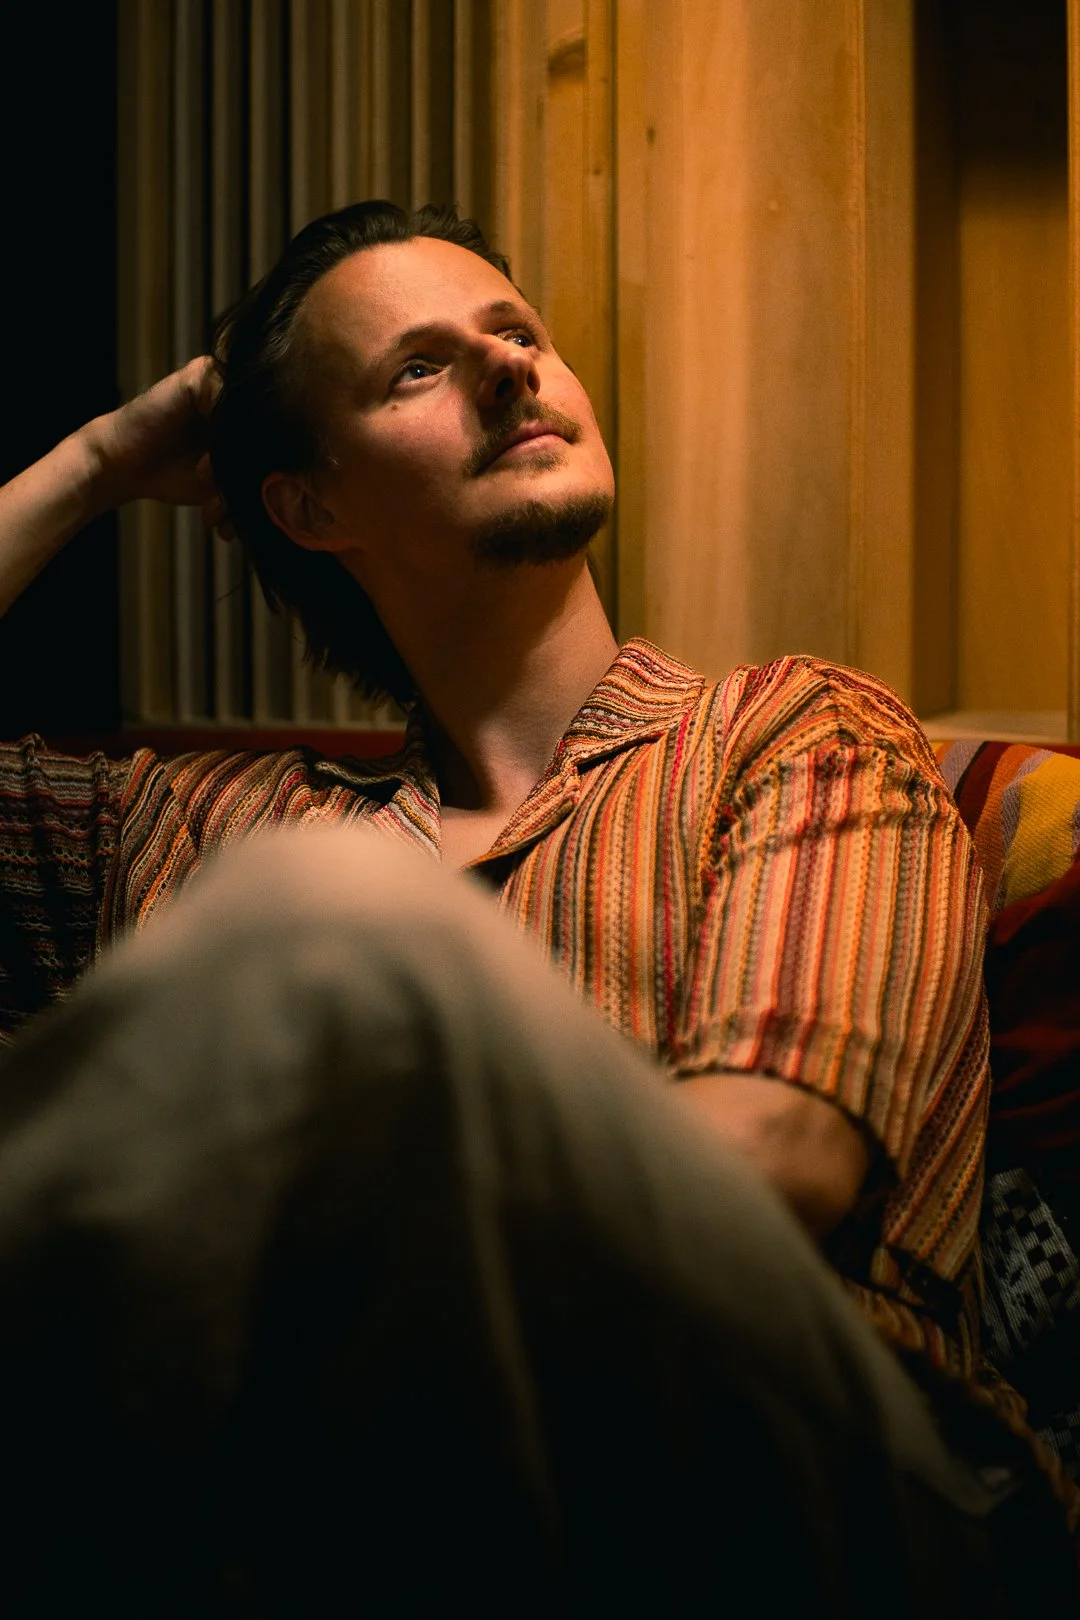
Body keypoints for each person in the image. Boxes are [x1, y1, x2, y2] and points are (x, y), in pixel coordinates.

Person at [0, 200, 1074, 1614]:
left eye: (519, 333)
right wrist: (91, 463)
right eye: (418, 368)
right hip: (341, 1492)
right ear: (310, 505)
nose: (513, 367)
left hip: (819, 1463)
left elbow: (778, 1166)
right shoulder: (203, 826)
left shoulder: (790, 732)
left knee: (323, 917)